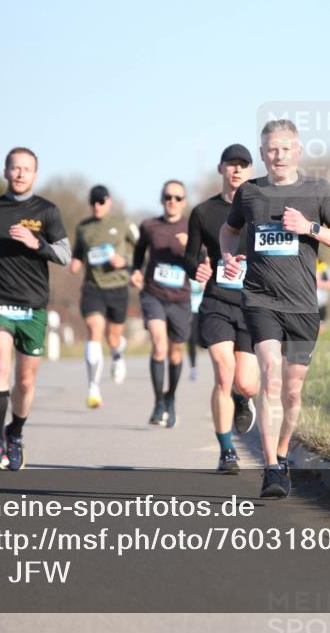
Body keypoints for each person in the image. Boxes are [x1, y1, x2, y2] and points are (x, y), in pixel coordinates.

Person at [220, 120, 330, 498]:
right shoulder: (249, 193)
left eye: (285, 148)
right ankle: (271, 469)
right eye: (271, 149)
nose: (278, 155)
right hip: (260, 299)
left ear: (298, 151)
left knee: (293, 392)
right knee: (271, 377)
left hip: (302, 306)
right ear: (262, 155)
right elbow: (229, 231)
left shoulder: (318, 191)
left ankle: (282, 454)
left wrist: (310, 227)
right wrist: (229, 258)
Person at [0, 147, 71, 470]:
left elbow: (65, 255)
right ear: (5, 172)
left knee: (25, 381)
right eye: (15, 168)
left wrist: (36, 243)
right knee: (1, 364)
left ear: (35, 174)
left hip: (33, 305)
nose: (20, 173)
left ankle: (15, 433)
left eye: (27, 169)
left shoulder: (47, 212)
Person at [185, 144, 260, 474]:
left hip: (251, 306)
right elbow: (189, 257)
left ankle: (242, 399)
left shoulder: (261, 209)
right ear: (221, 169)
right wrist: (197, 269)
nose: (237, 170)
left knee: (246, 383)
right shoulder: (203, 213)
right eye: (232, 164)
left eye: (243, 165)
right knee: (222, 373)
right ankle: (227, 450)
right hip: (215, 302)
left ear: (250, 170)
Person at [69, 185, 138, 409]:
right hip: (93, 287)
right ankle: (93, 387)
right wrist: (76, 263)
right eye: (93, 202)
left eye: (101, 201)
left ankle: (117, 354)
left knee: (113, 338)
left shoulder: (123, 223)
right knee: (94, 330)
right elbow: (78, 252)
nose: (97, 206)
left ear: (109, 201)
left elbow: (142, 247)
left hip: (117, 287)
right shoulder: (83, 228)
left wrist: (125, 260)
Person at [131, 180, 191, 429]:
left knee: (176, 353)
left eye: (178, 197)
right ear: (161, 199)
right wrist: (135, 270)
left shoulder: (191, 227)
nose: (172, 201)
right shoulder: (149, 225)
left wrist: (190, 247)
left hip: (180, 298)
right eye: (168, 196)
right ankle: (158, 403)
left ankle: (171, 398)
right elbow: (139, 252)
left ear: (184, 202)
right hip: (153, 293)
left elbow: (204, 260)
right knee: (158, 343)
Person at [315, 258, 330, 333]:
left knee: (321, 327)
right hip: (305, 304)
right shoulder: (302, 264)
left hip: (321, 304)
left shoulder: (325, 267)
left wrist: (319, 283)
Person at [187, 278, 203, 381]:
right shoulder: (188, 273)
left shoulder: (207, 272)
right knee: (191, 340)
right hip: (190, 310)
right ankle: (193, 368)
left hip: (203, 310)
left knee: (201, 340)